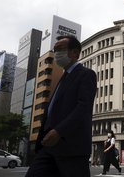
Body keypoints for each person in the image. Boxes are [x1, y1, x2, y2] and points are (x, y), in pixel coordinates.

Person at [25, 35, 97, 177]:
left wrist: (59, 131)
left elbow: (83, 108)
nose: (56, 54)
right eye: (55, 50)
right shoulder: (63, 78)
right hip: (48, 147)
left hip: (71, 147)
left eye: (60, 50)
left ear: (75, 53)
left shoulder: (86, 74)